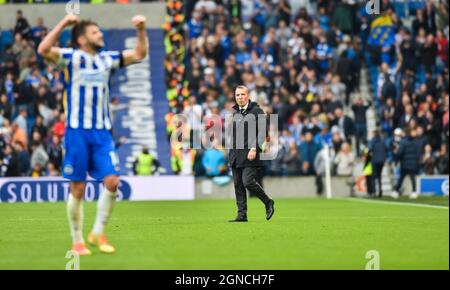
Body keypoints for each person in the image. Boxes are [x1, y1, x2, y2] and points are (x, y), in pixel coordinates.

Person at [38, 14, 148, 256]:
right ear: (81, 38)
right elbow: (43, 48)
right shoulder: (71, 58)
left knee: (112, 181)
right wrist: (64, 24)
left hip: (102, 133)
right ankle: (77, 240)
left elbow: (139, 54)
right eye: (95, 32)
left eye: (100, 32)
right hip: (77, 132)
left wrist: (141, 30)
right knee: (78, 188)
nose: (101, 35)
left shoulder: (107, 59)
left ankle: (97, 232)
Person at [228, 85, 274, 222]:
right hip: (236, 155)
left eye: (242, 94)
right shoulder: (235, 113)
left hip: (250, 153)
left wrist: (254, 148)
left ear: (248, 96)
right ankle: (242, 215)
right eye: (237, 95)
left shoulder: (257, 111)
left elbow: (262, 132)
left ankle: (268, 202)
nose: (240, 97)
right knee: (238, 185)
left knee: (247, 182)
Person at [392, 129, 421, 199]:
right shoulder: (415, 143)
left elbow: (400, 153)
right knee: (412, 178)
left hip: (405, 163)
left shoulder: (403, 142)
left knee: (401, 178)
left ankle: (396, 191)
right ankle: (414, 192)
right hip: (413, 164)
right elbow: (417, 154)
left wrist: (396, 155)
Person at [369, 130, 387, 197]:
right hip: (381, 160)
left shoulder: (373, 141)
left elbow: (370, 149)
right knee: (379, 176)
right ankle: (380, 191)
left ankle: (374, 191)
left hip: (375, 160)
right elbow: (385, 149)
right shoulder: (382, 141)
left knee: (373, 176)